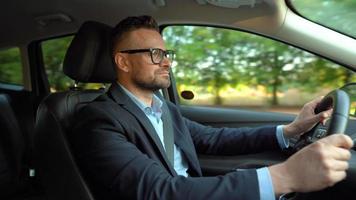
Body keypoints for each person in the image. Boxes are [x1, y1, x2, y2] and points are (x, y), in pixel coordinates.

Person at [69, 15, 353, 200]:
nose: (166, 61)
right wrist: (285, 176)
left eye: (166, 53)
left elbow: (213, 138)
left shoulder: (161, 107)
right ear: (123, 62)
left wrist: (289, 131)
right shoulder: (99, 119)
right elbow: (158, 192)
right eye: (155, 54)